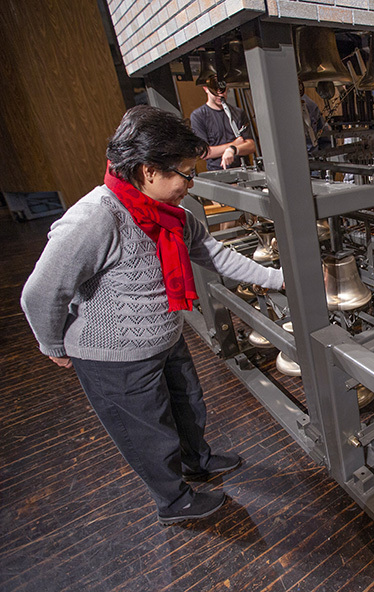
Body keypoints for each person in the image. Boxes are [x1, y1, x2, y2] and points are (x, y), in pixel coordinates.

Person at [20, 105, 284, 526]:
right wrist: (51, 343)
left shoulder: (175, 215)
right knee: (148, 432)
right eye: (183, 172)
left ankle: (196, 461)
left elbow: (216, 255)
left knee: (187, 405)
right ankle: (173, 500)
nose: (190, 182)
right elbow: (40, 292)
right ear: (147, 171)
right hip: (113, 355)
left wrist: (278, 277)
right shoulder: (95, 218)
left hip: (164, 336)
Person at [190, 77, 255, 170]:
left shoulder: (238, 113)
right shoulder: (198, 116)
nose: (220, 95)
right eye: (215, 91)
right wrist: (234, 144)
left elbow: (251, 145)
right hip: (218, 174)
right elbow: (204, 153)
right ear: (206, 89)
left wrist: (233, 149)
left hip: (243, 169)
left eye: (223, 91)